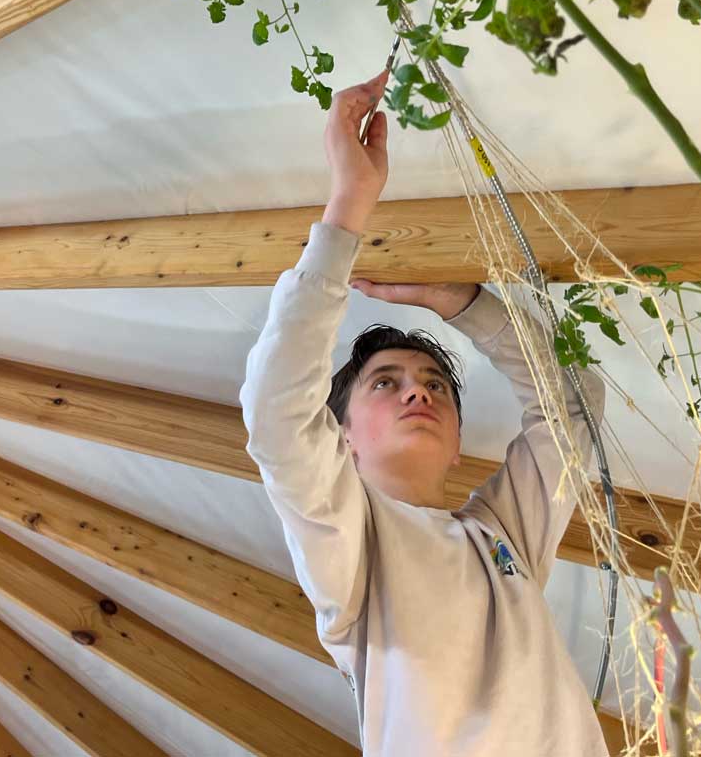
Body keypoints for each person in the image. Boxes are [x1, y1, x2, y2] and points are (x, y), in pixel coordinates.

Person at [239, 69, 609, 756]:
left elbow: (575, 413)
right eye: (386, 382)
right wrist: (348, 204)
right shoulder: (351, 542)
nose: (420, 391)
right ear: (341, 434)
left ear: (458, 434)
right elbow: (277, 414)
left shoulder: (503, 534)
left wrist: (461, 301)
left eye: (437, 383)